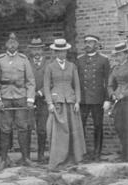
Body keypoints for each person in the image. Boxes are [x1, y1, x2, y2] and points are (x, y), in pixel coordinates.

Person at [0, 32, 35, 168]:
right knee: (5, 129)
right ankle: (4, 159)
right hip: (5, 98)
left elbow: (30, 81)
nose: (12, 44)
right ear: (6, 44)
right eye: (9, 42)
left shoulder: (23, 59)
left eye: (14, 42)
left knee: (23, 127)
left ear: (18, 44)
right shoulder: (0, 60)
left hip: (21, 97)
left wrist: (30, 99)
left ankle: (25, 158)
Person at [44, 39, 85, 170]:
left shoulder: (72, 66)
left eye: (64, 51)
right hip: (57, 102)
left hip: (71, 101)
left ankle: (74, 158)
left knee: (73, 130)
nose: (62, 54)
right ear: (55, 52)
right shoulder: (50, 67)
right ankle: (58, 160)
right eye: (59, 52)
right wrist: (49, 102)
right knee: (59, 132)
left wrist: (77, 101)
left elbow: (77, 85)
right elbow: (46, 86)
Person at [76, 34, 111, 160]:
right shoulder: (79, 60)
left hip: (98, 98)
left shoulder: (103, 60)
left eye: (90, 43)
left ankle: (97, 152)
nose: (87, 45)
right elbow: (76, 81)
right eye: (86, 42)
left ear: (96, 45)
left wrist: (107, 99)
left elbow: (108, 81)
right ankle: (82, 152)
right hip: (83, 99)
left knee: (98, 125)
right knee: (81, 126)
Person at [28, 36, 50, 162]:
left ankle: (41, 155)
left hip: (43, 99)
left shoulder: (48, 63)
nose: (36, 52)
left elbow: (51, 81)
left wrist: (41, 92)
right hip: (30, 100)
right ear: (31, 51)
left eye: (38, 49)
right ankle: (26, 156)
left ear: (42, 50)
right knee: (28, 126)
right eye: (34, 49)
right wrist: (31, 94)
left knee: (42, 128)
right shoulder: (26, 63)